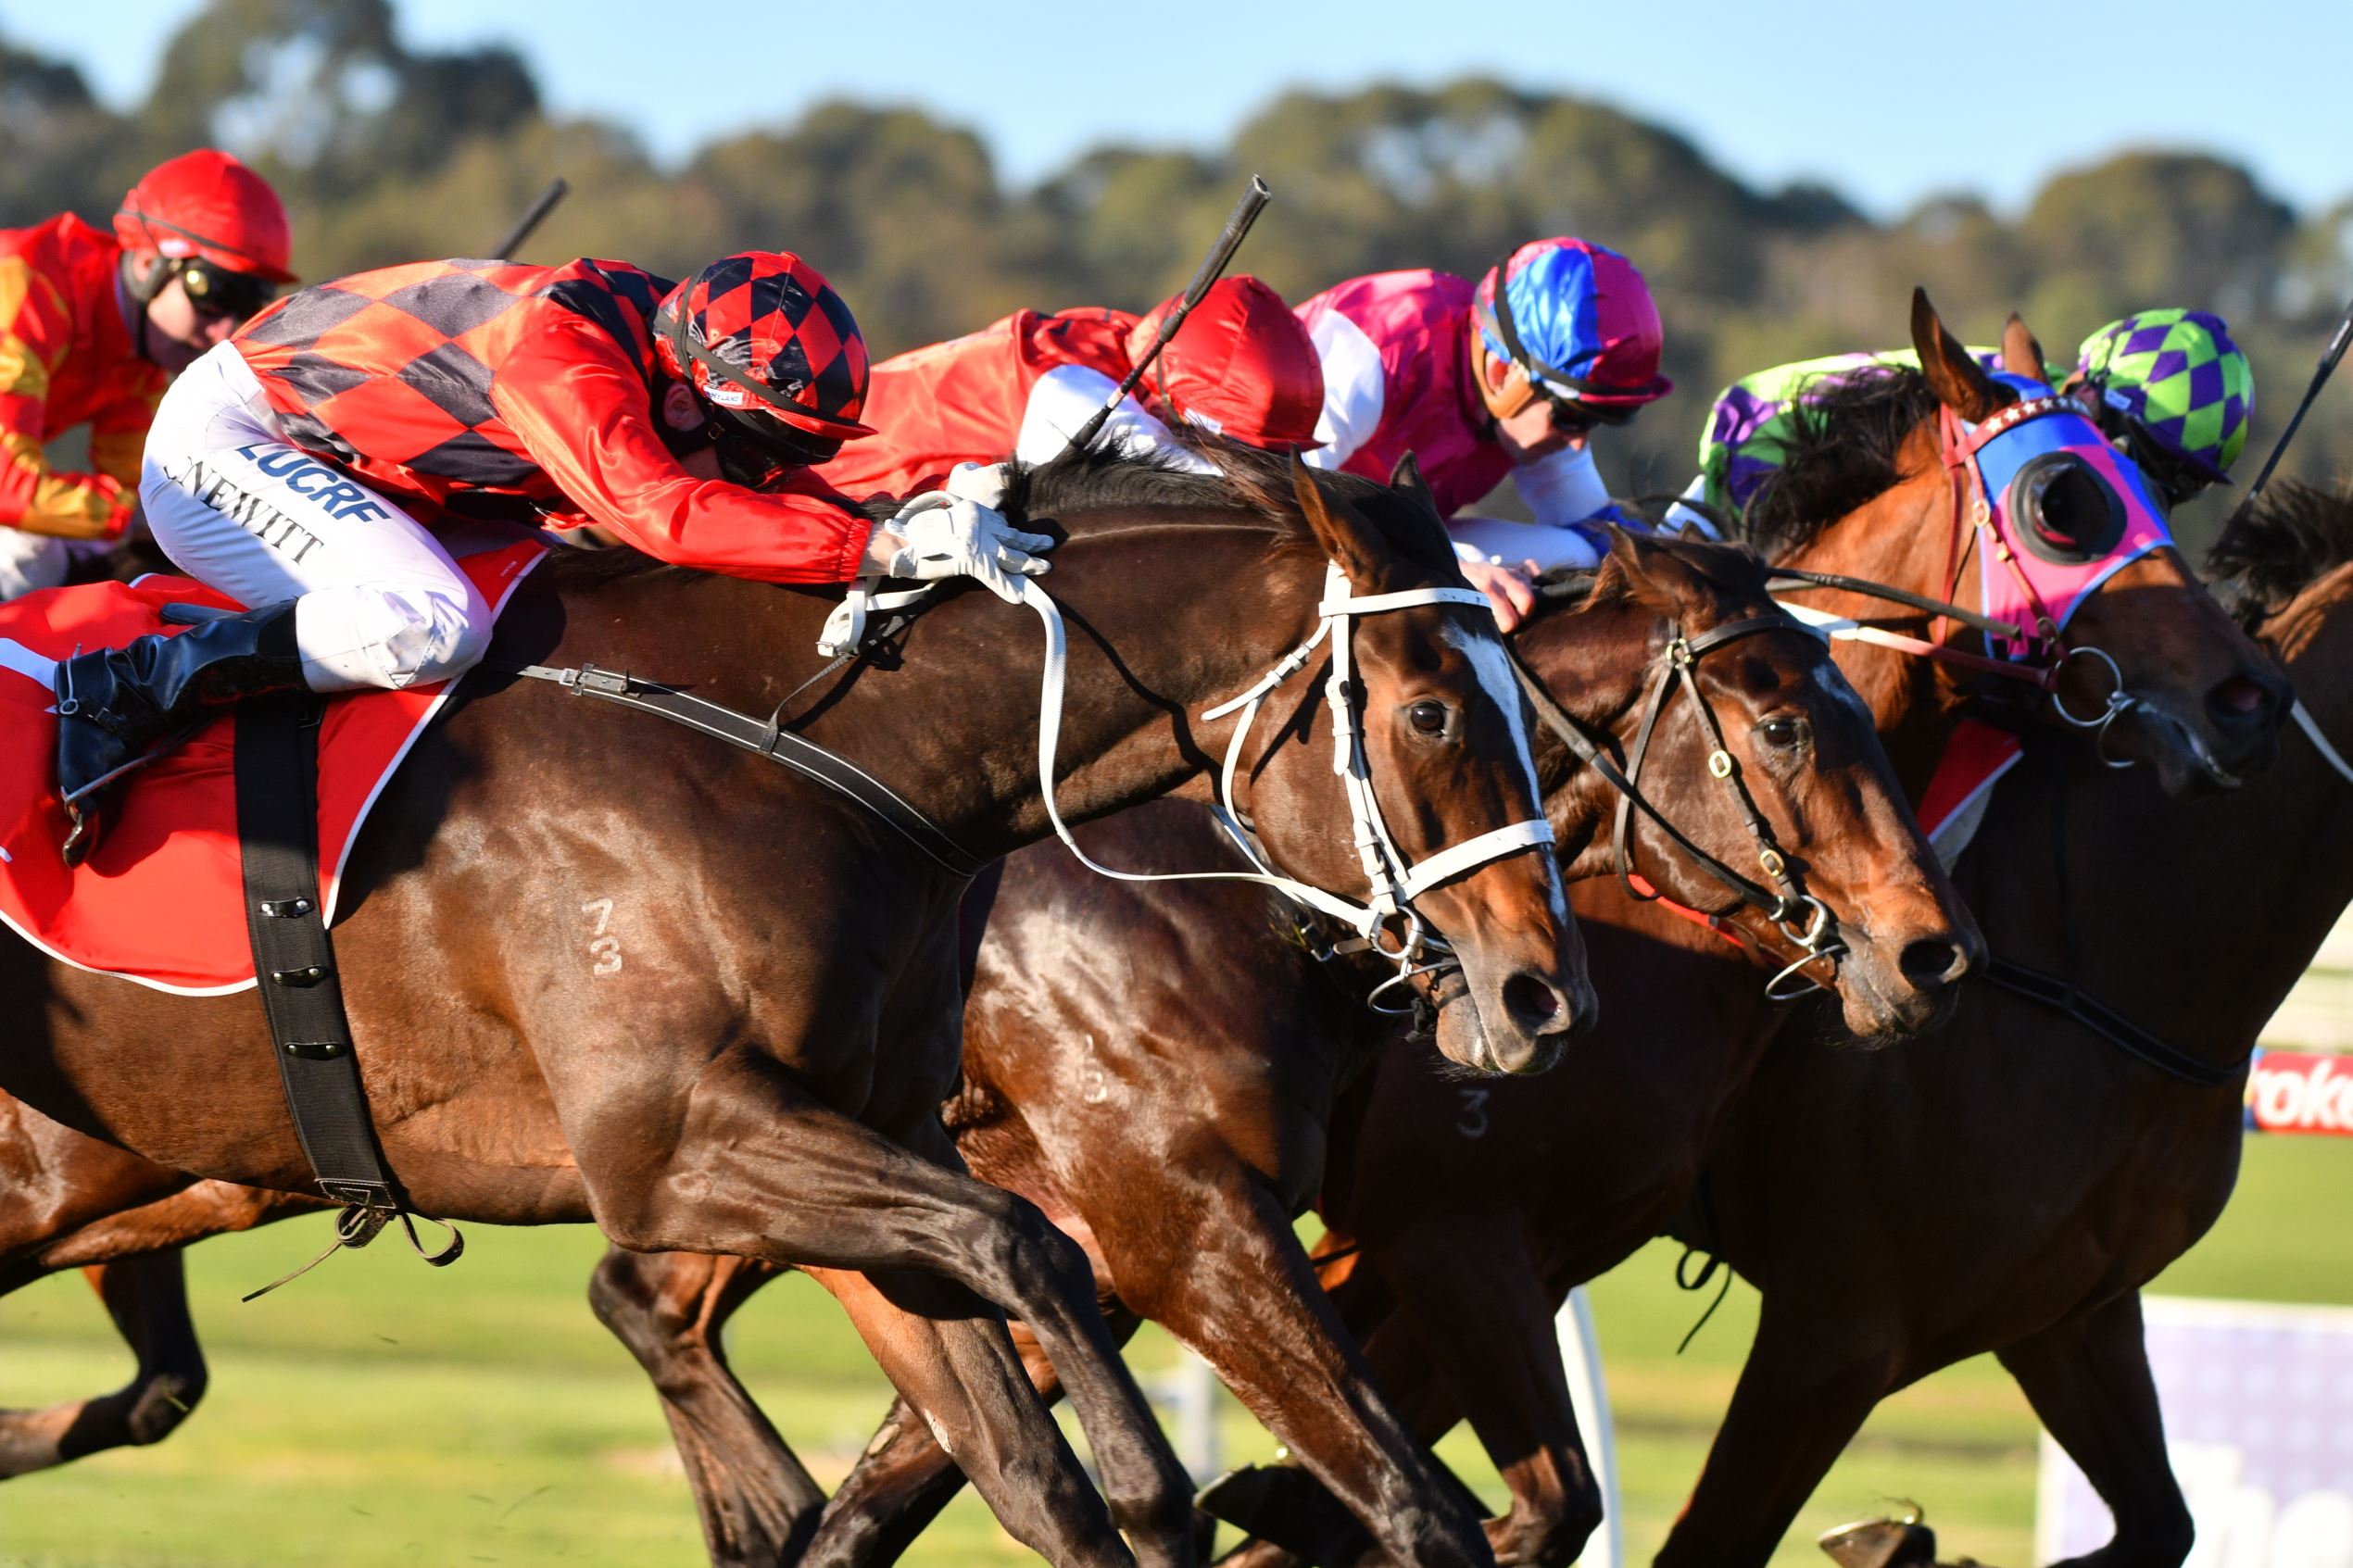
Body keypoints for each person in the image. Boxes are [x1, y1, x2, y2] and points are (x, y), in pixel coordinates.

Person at [49, 250, 1051, 863]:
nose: (765, 476)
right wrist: (873, 542)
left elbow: (735, 504)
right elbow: (662, 512)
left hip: (375, 466)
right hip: (229, 441)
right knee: (433, 621)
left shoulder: (678, 351)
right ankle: (127, 686)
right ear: (688, 395)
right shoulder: (563, 360)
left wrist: (911, 507)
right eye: (756, 453)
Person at [1295, 237, 1674, 627]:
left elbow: (1601, 532)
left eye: (1597, 420)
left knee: (1578, 554)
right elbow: (1274, 500)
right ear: (1501, 374)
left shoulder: (1526, 395)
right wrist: (1446, 568)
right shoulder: (1374, 357)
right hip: (1263, 520)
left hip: (1372, 537)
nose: (1578, 441)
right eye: (1572, 416)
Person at [0, 149, 293, 597]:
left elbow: (138, 487)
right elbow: (8, 482)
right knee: (29, 556)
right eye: (213, 292)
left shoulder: (144, 360)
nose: (224, 331)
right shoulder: (25, 285)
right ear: (146, 262)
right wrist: (133, 514)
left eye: (247, 306)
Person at [1683, 308, 2252, 525]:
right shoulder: (2008, 407)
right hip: (1755, 458)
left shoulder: (2059, 414)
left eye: (2176, 489)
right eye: (2140, 456)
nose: (2145, 490)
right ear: (2087, 392)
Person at [814, 274, 1325, 500]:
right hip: (817, 486)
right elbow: (1207, 491)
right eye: (1240, 448)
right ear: (1182, 405)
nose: (1248, 461)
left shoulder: (1140, 354)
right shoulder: (1069, 391)